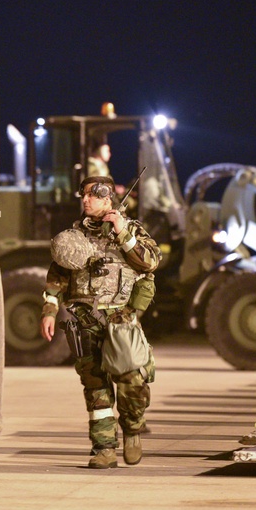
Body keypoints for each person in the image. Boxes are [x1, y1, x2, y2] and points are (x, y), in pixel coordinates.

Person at [40, 175, 161, 469]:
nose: (85, 200)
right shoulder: (73, 236)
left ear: (108, 199)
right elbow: (58, 277)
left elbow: (151, 262)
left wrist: (122, 232)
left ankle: (132, 429)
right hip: (84, 319)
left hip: (121, 318)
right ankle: (104, 448)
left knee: (133, 379)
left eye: (92, 195)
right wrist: (49, 310)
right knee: (96, 388)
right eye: (83, 195)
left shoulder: (131, 230)